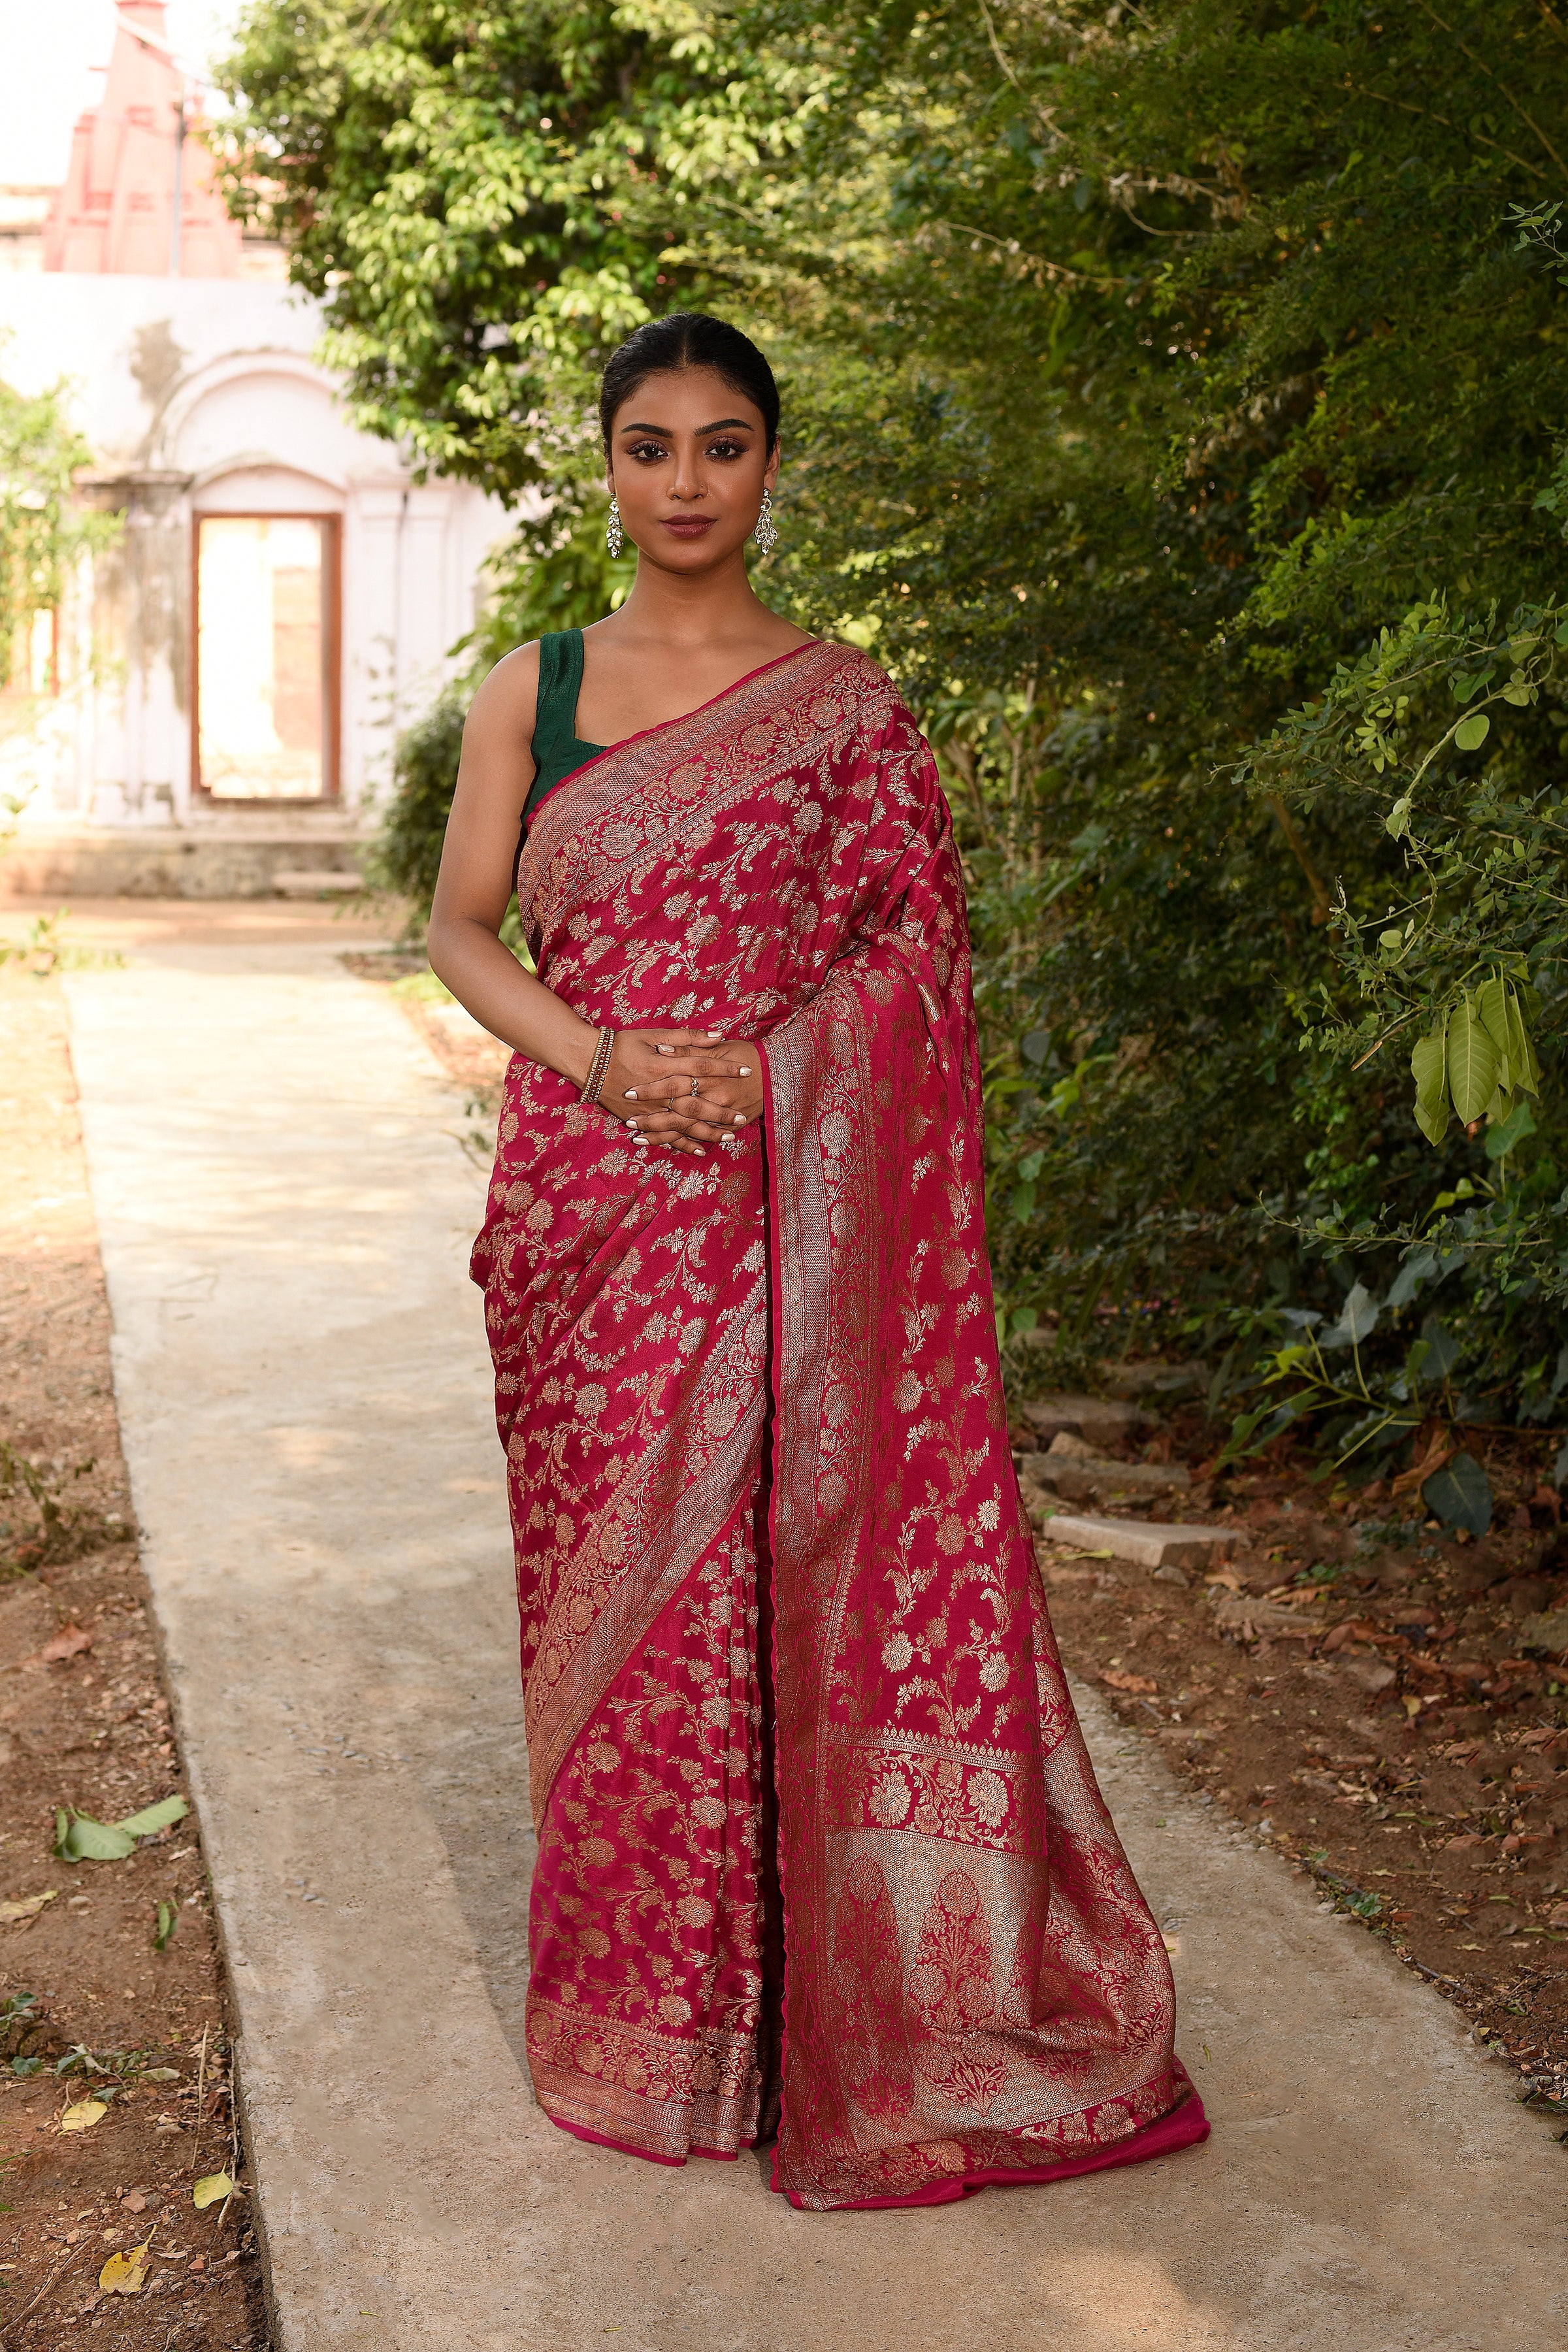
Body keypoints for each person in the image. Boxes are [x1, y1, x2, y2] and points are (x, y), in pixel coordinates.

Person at [427, 312, 1207, 2212]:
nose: (685, 483)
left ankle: (810, 2023)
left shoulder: (846, 705)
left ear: (774, 465)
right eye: (649, 446)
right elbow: (457, 932)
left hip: (792, 1218)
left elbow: (915, 963)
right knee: (620, 1631)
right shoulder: (535, 688)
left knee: (780, 1606)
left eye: (723, 446)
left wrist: (776, 1076)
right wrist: (614, 1061)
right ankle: (644, 2022)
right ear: (602, 465)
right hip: (594, 1222)